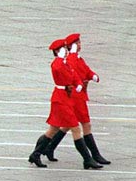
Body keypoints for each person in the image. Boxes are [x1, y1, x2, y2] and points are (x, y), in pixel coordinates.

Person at [28, 39, 102, 170]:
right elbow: (56, 69)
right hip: (60, 98)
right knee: (75, 128)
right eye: (63, 49)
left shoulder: (65, 62)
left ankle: (36, 154)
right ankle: (87, 159)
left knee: (53, 129)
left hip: (66, 97)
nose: (66, 50)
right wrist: (59, 57)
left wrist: (78, 84)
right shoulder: (57, 63)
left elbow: (73, 74)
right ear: (58, 51)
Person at [43, 33, 109, 166]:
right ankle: (93, 155)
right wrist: (72, 55)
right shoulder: (70, 59)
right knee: (83, 124)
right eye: (77, 43)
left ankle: (49, 148)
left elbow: (85, 70)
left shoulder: (78, 58)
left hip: (79, 94)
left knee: (68, 125)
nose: (79, 45)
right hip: (74, 96)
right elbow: (71, 71)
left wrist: (92, 76)